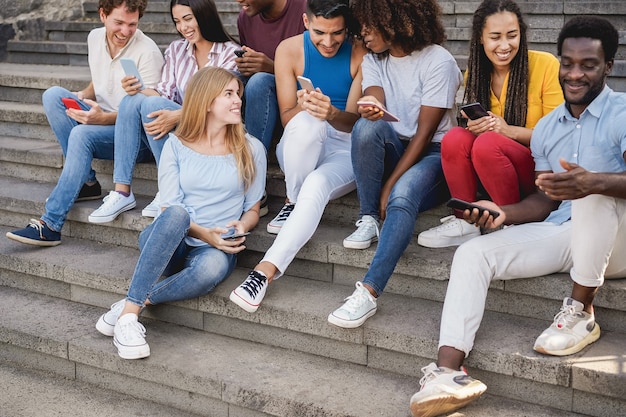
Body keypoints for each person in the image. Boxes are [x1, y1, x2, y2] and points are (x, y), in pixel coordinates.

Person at [409, 16, 626, 417]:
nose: (574, 74)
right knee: (473, 254)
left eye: (588, 64)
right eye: (568, 63)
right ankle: (449, 373)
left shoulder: (622, 113)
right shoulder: (548, 128)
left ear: (608, 66)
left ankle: (582, 313)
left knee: (592, 193)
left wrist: (592, 182)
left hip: (618, 241)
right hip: (566, 233)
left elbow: (597, 189)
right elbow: (543, 202)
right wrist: (501, 212)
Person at [94, 67, 267, 359]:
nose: (237, 100)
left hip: (217, 248)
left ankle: (129, 309)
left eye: (238, 93)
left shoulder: (252, 149)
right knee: (175, 213)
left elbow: (252, 208)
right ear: (207, 101)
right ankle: (130, 316)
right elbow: (169, 210)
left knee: (211, 269)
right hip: (169, 238)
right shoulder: (177, 145)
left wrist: (241, 225)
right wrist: (205, 234)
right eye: (228, 94)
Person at [327, 0, 462, 328]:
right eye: (361, 26)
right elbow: (375, 97)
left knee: (402, 196)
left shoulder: (437, 61)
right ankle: (369, 216)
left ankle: (369, 292)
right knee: (366, 125)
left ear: (398, 19)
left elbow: (424, 133)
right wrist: (371, 106)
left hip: (431, 154)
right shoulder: (374, 58)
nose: (364, 34)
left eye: (370, 25)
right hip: (393, 148)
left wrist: (390, 184)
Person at [229, 0, 366, 313]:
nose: (328, 42)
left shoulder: (359, 52)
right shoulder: (288, 50)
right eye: (320, 32)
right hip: (301, 140)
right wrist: (313, 110)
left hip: (344, 148)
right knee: (307, 123)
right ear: (305, 21)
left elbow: (354, 124)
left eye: (337, 33)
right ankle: (292, 199)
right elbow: (288, 117)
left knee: (316, 186)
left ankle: (262, 273)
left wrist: (331, 112)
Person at [5, 0, 163, 246]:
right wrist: (83, 95)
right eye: (119, 23)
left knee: (81, 135)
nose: (125, 31)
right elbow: (101, 77)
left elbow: (146, 115)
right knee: (53, 95)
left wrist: (102, 119)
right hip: (103, 120)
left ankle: (51, 224)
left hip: (136, 139)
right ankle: (88, 182)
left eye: (132, 24)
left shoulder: (147, 51)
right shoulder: (94, 37)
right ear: (102, 15)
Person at [417, 0, 564, 248]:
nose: (505, 45)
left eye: (512, 35)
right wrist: (476, 129)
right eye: (495, 37)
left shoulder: (546, 65)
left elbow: (561, 135)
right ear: (480, 39)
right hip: (495, 167)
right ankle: (465, 221)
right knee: (455, 137)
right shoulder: (475, 73)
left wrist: (508, 131)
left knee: (488, 142)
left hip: (539, 170)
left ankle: (509, 222)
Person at [87, 0, 240, 223]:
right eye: (177, 21)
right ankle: (122, 191)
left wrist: (179, 115)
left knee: (148, 104)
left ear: (204, 15)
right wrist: (138, 90)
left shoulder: (229, 53)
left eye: (188, 19)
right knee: (135, 99)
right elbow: (164, 94)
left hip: (210, 127)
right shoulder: (177, 49)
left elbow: (220, 104)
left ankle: (166, 189)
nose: (183, 27)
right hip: (177, 125)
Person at [234, 0, 307, 151]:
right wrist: (248, 65)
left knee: (259, 81)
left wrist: (273, 67)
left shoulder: (305, 10)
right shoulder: (245, 18)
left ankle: (253, 160)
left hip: (295, 103)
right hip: (261, 105)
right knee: (222, 78)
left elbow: (315, 74)